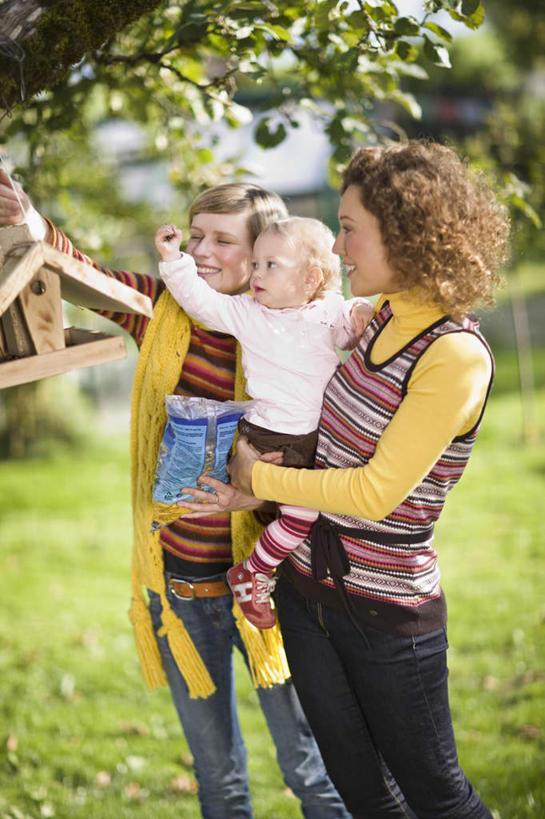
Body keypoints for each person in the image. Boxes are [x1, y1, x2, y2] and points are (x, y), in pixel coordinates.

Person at [0, 172, 350, 819]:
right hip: (182, 587)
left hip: (271, 588)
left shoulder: (300, 337)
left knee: (309, 768)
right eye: (195, 237)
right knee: (217, 779)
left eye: (223, 239)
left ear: (263, 251)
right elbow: (79, 269)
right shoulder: (161, 307)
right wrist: (28, 220)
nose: (204, 251)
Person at [182, 141, 511, 818]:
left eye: (350, 227)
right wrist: (256, 492)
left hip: (385, 614)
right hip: (303, 592)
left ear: (405, 234)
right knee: (364, 795)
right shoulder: (375, 319)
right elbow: (322, 444)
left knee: (436, 795)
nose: (338, 244)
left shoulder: (452, 355)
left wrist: (261, 471)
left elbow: (372, 492)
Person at [155, 216, 374, 629]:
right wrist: (173, 260)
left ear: (310, 278)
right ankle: (253, 571)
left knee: (314, 515)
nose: (256, 273)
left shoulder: (328, 310)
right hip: (275, 439)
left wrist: (361, 311)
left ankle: (282, 580)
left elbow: (349, 329)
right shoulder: (249, 313)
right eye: (255, 264)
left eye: (270, 265)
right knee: (300, 517)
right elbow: (203, 302)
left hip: (321, 439)